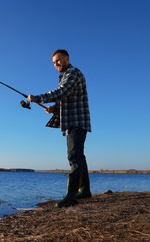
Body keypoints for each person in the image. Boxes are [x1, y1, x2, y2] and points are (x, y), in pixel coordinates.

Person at [27, 49, 92, 208]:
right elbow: (67, 98)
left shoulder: (73, 74)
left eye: (59, 60)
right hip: (75, 122)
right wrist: (54, 108)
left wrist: (37, 98)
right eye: (54, 62)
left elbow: (62, 91)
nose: (56, 64)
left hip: (76, 122)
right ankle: (84, 190)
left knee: (74, 157)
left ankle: (71, 196)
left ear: (67, 58)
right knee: (79, 157)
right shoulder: (66, 75)